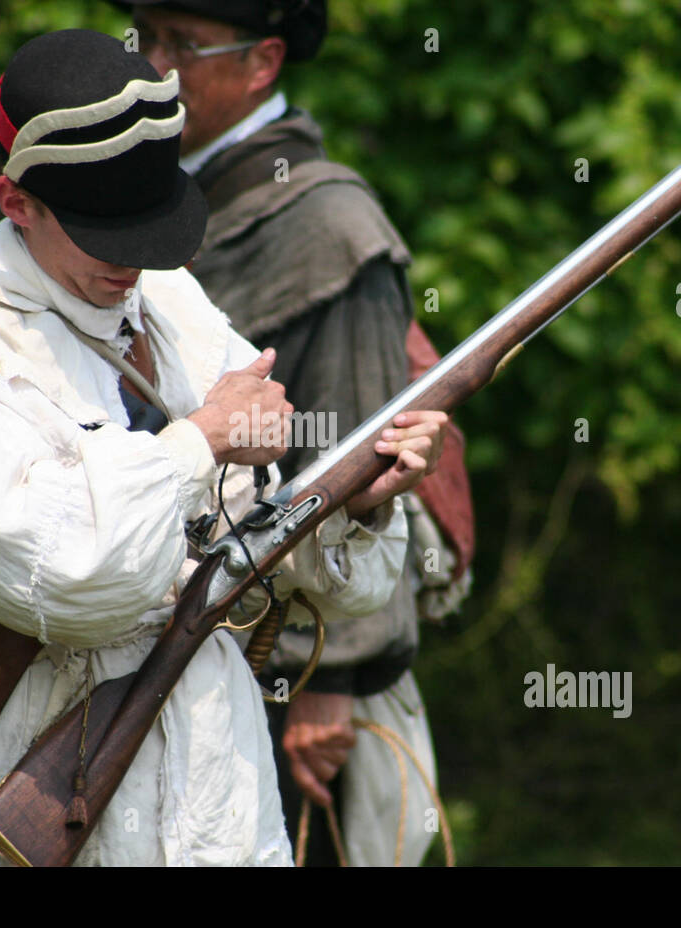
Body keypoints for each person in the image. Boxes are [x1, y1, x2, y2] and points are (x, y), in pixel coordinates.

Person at [0, 28, 447, 866]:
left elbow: (273, 556)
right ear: (16, 200)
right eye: (108, 231)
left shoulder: (170, 304)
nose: (135, 263)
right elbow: (68, 574)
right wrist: (200, 442)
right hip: (33, 803)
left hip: (223, 802)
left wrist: (355, 502)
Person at [124, 0, 461, 866]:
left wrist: (331, 679)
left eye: (185, 46)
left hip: (300, 680)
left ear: (262, 62)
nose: (156, 65)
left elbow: (361, 462)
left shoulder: (328, 225)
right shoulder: (160, 196)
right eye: (149, 38)